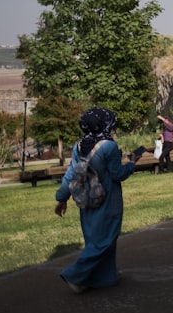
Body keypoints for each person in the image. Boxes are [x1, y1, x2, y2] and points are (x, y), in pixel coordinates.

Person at [53, 107, 141, 293]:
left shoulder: (79, 145)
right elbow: (118, 174)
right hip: (108, 200)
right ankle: (74, 275)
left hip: (87, 200)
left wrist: (62, 198)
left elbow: (70, 175)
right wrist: (132, 163)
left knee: (95, 239)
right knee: (106, 240)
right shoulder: (109, 146)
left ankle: (105, 278)